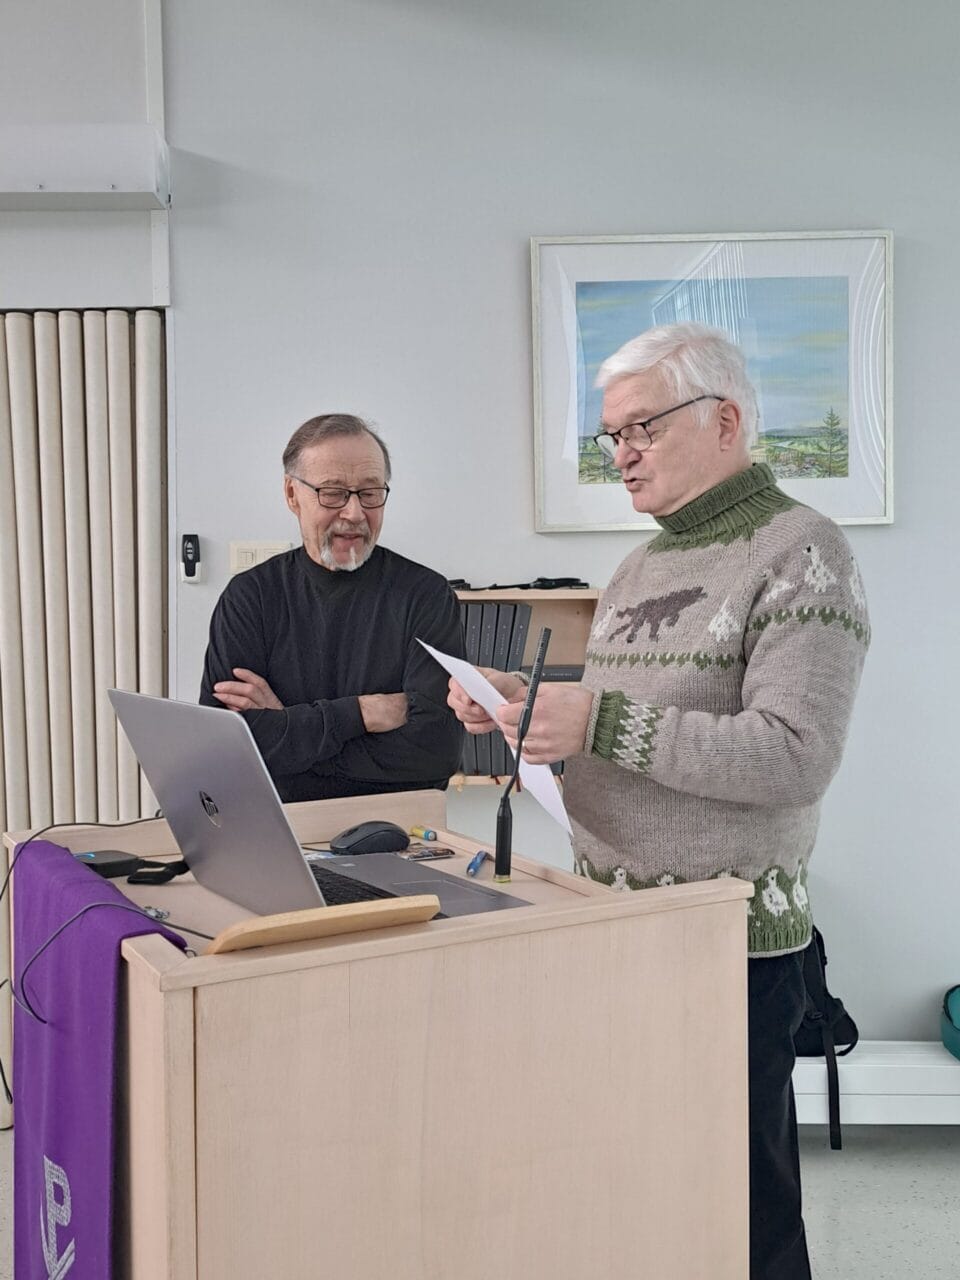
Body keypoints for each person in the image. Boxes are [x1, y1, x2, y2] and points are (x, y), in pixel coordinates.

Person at [448, 323, 869, 1280]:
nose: (623, 454)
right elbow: (626, 733)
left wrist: (595, 721)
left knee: (740, 1210)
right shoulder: (639, 567)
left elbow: (794, 757)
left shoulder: (806, 550)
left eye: (643, 427)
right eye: (613, 435)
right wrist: (520, 706)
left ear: (725, 421)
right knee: (640, 1191)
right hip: (614, 921)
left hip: (726, 944)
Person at [201, 413, 464, 801]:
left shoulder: (426, 595)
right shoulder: (250, 597)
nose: (354, 513)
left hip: (393, 823)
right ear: (292, 494)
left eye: (370, 493)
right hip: (280, 820)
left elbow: (436, 753)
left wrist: (288, 730)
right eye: (333, 493)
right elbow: (225, 749)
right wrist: (360, 713)